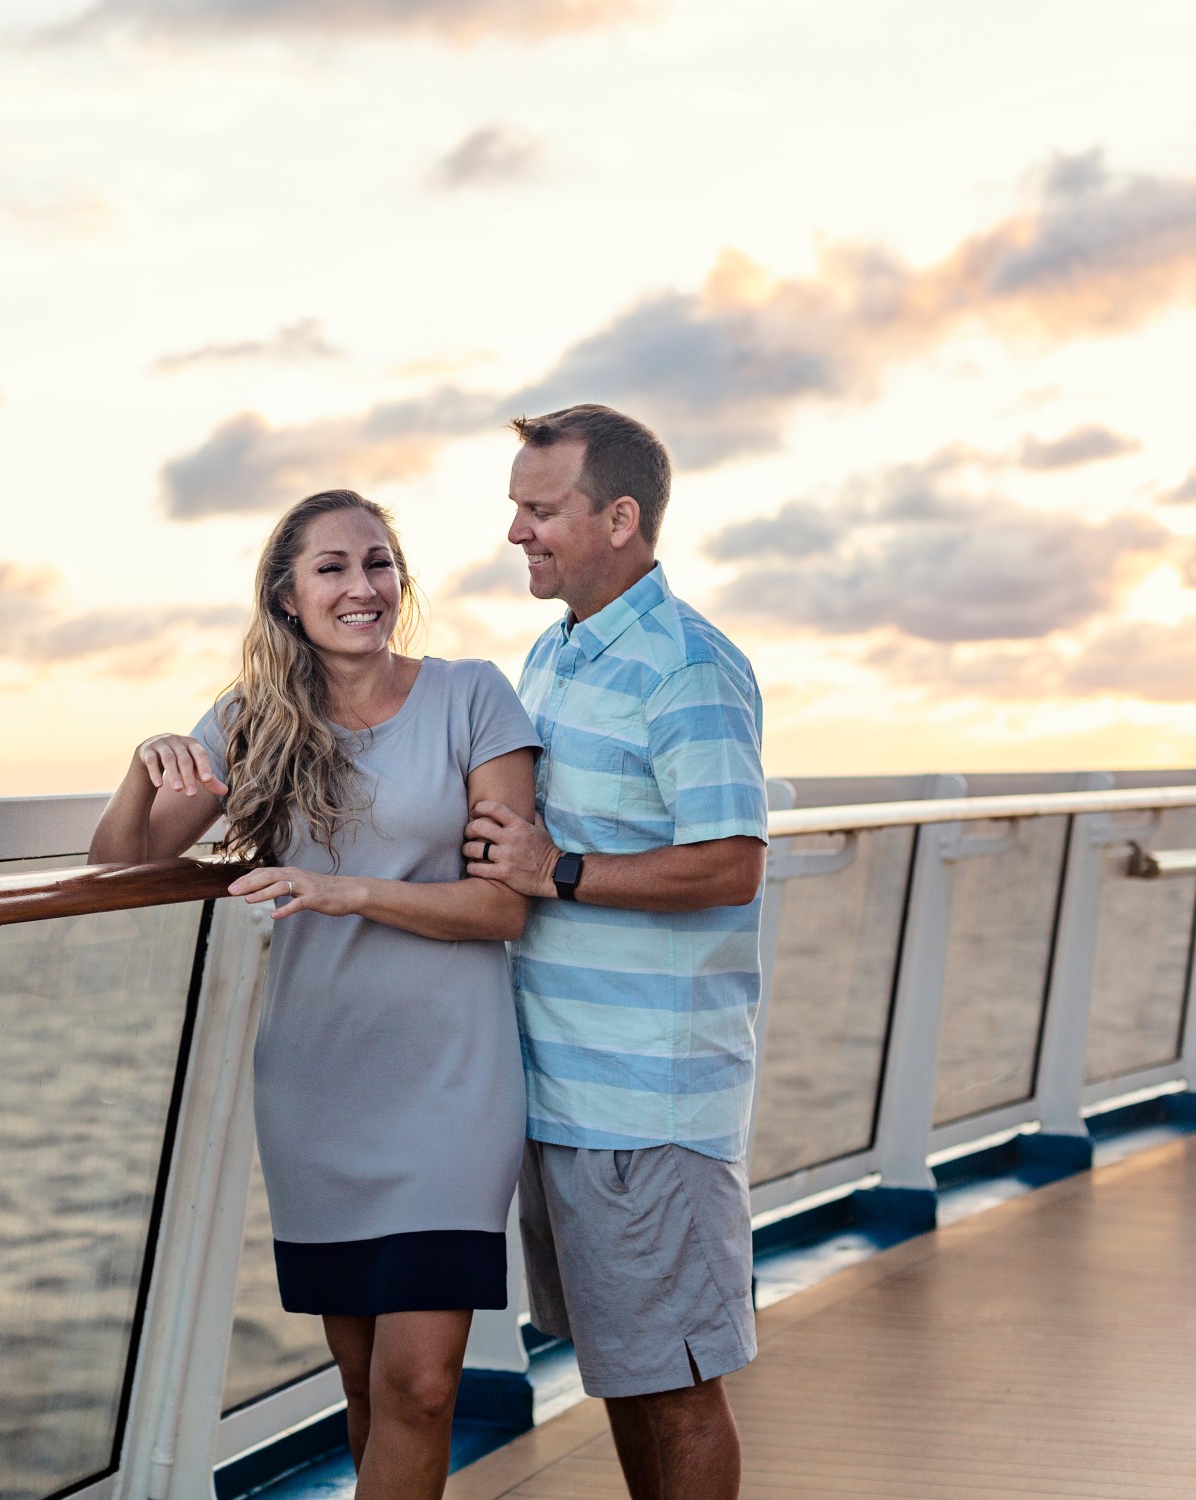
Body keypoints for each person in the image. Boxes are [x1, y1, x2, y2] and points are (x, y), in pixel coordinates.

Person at [89, 488, 542, 1500]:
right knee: (366, 1388)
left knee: (423, 1386)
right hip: (318, 1085)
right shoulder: (253, 722)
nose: (362, 586)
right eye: (332, 568)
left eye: (378, 563)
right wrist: (142, 768)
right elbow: (122, 874)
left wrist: (346, 891)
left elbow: (503, 910)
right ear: (288, 597)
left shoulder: (475, 697)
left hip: (451, 1088)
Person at [463, 406, 768, 1500]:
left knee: (679, 1389)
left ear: (621, 518)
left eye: (541, 510)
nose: (517, 533)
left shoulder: (685, 668)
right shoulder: (553, 657)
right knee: (627, 1381)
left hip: (651, 1102)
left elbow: (731, 863)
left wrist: (563, 871)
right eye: (517, 508)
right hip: (567, 1093)